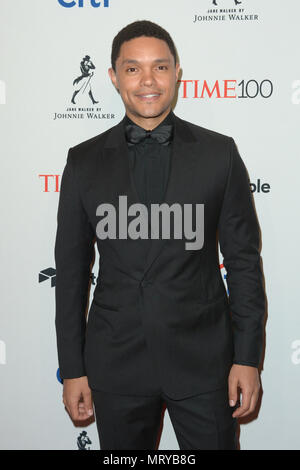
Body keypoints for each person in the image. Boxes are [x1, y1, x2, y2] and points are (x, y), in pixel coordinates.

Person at [55, 20, 266, 450]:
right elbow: (72, 274)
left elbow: (243, 262)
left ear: (177, 73)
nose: (148, 81)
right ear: (113, 77)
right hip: (117, 363)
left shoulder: (219, 154)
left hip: (204, 361)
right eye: (133, 69)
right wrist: (73, 368)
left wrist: (247, 358)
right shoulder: (83, 161)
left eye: (160, 68)